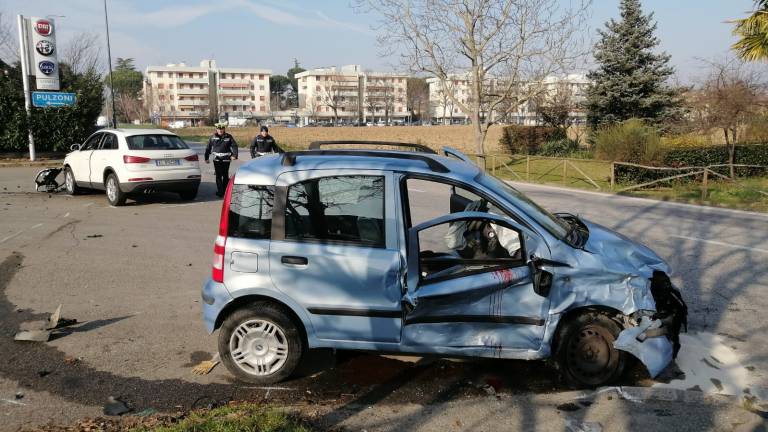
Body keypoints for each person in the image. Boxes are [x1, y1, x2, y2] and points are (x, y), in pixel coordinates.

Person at [204, 122, 238, 197]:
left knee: (225, 175)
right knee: (218, 175)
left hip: (226, 159)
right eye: (219, 129)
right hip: (217, 159)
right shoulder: (212, 137)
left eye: (222, 129)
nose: (220, 130)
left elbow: (234, 146)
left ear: (224, 129)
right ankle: (220, 191)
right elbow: (208, 148)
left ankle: (225, 190)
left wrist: (235, 155)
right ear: (216, 129)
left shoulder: (229, 137)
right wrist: (206, 157)